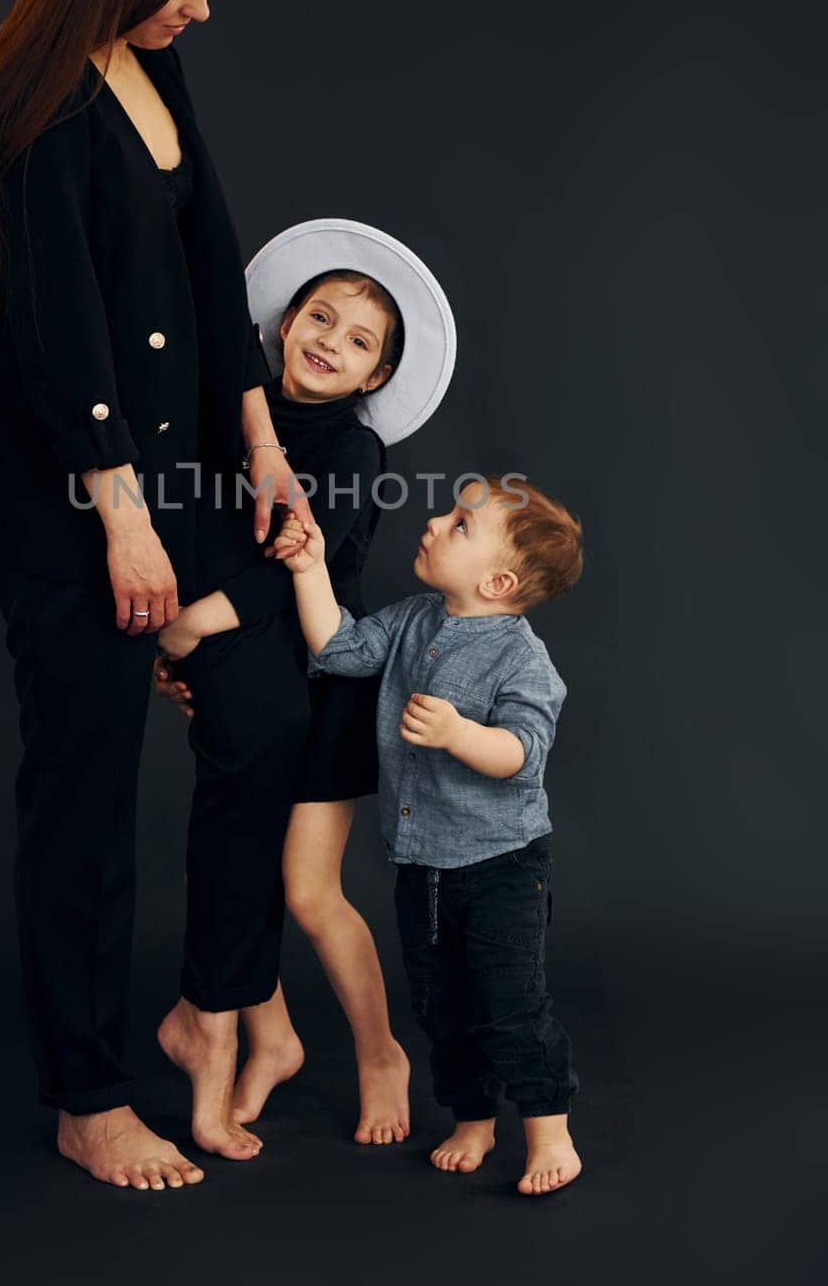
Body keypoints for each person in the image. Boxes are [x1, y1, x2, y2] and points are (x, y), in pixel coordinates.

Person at [0, 0, 310, 1193]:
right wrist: (125, 523)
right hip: (73, 508)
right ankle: (86, 1096)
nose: (199, 9)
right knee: (86, 804)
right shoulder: (32, 99)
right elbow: (61, 337)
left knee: (264, 713)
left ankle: (210, 1004)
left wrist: (259, 439)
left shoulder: (151, 66)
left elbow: (209, 260)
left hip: (182, 482)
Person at [151, 219, 457, 1156]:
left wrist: (199, 621)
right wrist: (192, 646)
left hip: (326, 673)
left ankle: (379, 1055)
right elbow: (203, 528)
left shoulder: (352, 453)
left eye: (358, 340)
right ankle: (271, 1035)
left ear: (373, 377)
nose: (330, 341)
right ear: (284, 324)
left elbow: (299, 568)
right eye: (319, 317)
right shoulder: (234, 418)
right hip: (249, 668)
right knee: (245, 847)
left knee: (308, 888)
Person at [271, 472, 585, 1196]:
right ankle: (472, 1119)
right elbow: (340, 650)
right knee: (442, 1005)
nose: (438, 522)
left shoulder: (521, 659)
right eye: (449, 512)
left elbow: (522, 754)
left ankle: (549, 1130)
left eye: (461, 525)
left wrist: (461, 734)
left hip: (504, 865)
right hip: (425, 867)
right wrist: (310, 566)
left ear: (500, 581)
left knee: (510, 1002)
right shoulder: (414, 619)